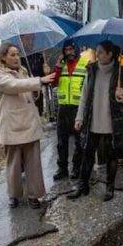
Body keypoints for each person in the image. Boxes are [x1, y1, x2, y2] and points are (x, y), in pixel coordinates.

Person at [0, 42, 56, 209]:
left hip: (29, 121)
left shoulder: (24, 71)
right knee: (13, 164)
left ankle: (35, 195)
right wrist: (38, 80)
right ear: (3, 57)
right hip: (12, 124)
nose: (16, 58)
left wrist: (38, 85)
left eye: (18, 54)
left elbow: (31, 95)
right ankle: (14, 195)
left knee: (33, 162)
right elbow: (13, 86)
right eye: (12, 54)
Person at [67, 40, 123, 202]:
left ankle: (110, 187)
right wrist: (79, 117)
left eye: (101, 52)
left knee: (111, 156)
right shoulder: (92, 70)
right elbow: (84, 96)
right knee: (87, 154)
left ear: (110, 54)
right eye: (97, 51)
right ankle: (83, 186)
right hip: (93, 121)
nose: (97, 54)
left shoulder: (121, 73)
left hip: (112, 123)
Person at [51, 39, 88, 181]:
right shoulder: (61, 65)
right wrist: (57, 67)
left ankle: (76, 168)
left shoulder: (85, 63)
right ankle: (62, 169)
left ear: (76, 49)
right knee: (61, 141)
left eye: (71, 50)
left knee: (79, 141)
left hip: (78, 107)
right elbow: (53, 83)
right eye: (66, 50)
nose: (69, 53)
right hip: (63, 107)